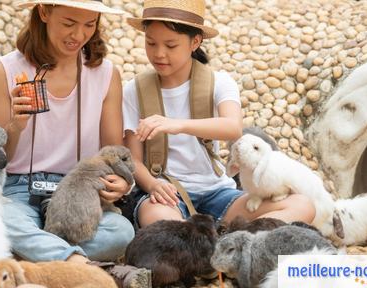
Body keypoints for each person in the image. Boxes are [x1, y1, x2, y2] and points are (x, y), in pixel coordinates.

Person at [0, 1, 150, 287]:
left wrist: (123, 184)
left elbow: (113, 152)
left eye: (90, 24)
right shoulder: (4, 70)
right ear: (44, 13)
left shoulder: (106, 74)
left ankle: (33, 258)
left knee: (121, 230)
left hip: (80, 189)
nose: (79, 35)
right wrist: (16, 126)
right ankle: (81, 267)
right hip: (19, 188)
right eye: (69, 23)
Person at [122, 0, 316, 228]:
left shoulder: (220, 82)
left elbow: (232, 127)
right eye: (151, 43)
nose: (159, 53)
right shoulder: (134, 90)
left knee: (303, 205)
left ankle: (233, 243)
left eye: (171, 45)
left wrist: (176, 124)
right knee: (159, 220)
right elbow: (132, 159)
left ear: (195, 42)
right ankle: (223, 239)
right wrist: (153, 186)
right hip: (167, 196)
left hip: (218, 194)